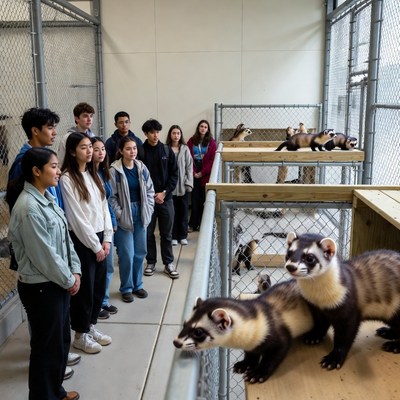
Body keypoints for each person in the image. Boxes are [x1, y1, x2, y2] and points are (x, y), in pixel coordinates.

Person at [6, 107, 81, 375]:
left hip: (55, 257)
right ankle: (49, 371)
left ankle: (55, 367)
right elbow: (32, 235)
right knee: (45, 331)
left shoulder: (45, 175)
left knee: (57, 327)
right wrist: (67, 275)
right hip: (40, 263)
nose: (54, 132)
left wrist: (71, 268)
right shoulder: (24, 166)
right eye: (49, 127)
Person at [60, 132, 113, 354]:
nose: (90, 151)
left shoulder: (94, 175)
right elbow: (77, 219)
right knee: (85, 290)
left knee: (98, 288)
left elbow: (104, 210)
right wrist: (95, 246)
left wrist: (107, 239)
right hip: (84, 241)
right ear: (72, 151)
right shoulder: (67, 179)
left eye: (90, 146)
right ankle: (80, 335)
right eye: (83, 147)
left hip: (101, 239)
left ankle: (90, 327)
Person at [109, 136, 155, 302]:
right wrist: (120, 214)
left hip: (141, 213)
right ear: (121, 151)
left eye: (134, 148)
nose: (132, 152)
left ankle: (138, 285)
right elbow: (111, 196)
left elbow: (150, 191)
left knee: (140, 252)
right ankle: (126, 287)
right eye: (128, 149)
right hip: (125, 215)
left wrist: (148, 209)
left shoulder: (141, 167)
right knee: (126, 254)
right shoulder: (115, 170)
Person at [141, 119, 179, 279]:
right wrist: (150, 195)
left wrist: (164, 193)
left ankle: (168, 263)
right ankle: (151, 262)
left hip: (166, 198)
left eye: (157, 132)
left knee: (167, 233)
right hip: (148, 200)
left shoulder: (166, 150)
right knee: (148, 233)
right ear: (146, 133)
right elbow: (139, 177)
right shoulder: (141, 151)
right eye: (152, 132)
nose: (155, 135)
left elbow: (174, 174)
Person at [8, 107, 63, 209]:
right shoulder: (22, 163)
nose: (55, 132)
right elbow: (19, 206)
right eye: (50, 128)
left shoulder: (48, 157)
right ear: (35, 131)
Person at [90, 137, 118, 319]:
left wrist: (113, 222)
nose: (101, 153)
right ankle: (95, 304)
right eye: (96, 149)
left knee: (108, 267)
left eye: (103, 149)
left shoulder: (103, 172)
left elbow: (107, 202)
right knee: (96, 270)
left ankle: (103, 300)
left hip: (107, 223)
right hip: (95, 227)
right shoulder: (87, 175)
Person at [187, 120, 217, 232]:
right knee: (194, 200)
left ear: (208, 129)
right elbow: (188, 157)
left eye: (205, 127)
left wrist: (202, 173)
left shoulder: (212, 142)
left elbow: (212, 160)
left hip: (206, 174)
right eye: (201, 126)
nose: (203, 128)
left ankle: (203, 225)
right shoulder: (191, 141)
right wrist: (194, 172)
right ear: (198, 128)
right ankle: (193, 224)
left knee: (204, 200)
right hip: (194, 171)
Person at [166, 125, 193, 246]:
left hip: (183, 186)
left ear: (181, 135)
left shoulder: (185, 149)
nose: (176, 135)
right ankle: (173, 236)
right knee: (172, 213)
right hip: (171, 187)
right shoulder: (166, 149)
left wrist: (189, 183)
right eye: (174, 133)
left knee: (183, 212)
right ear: (170, 135)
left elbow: (189, 167)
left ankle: (183, 235)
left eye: (178, 133)